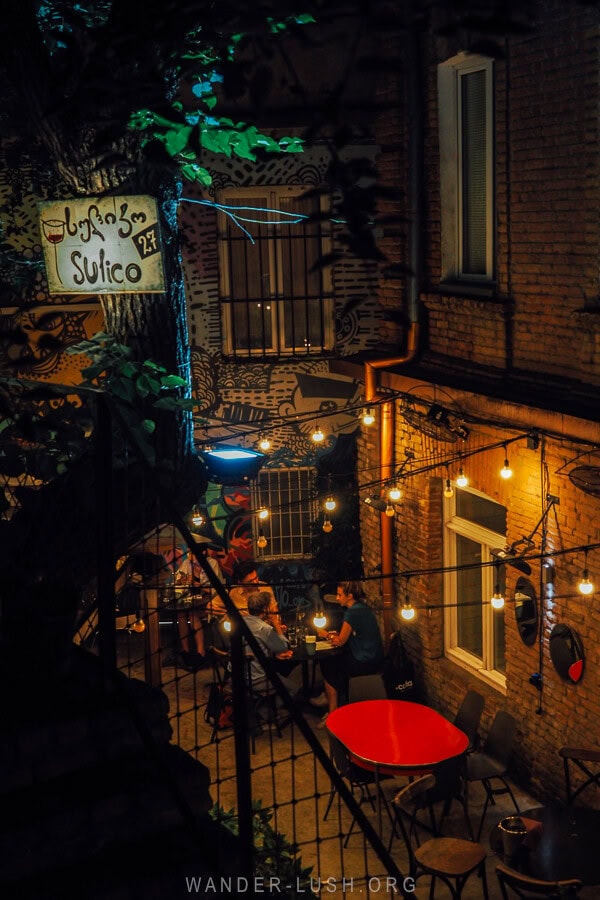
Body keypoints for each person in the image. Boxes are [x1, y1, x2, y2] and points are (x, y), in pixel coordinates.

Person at [315, 580, 384, 725]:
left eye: (340, 595)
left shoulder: (352, 613)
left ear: (350, 596)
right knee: (333, 663)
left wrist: (326, 635)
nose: (338, 598)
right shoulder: (362, 608)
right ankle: (330, 698)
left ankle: (332, 708)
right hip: (374, 656)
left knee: (327, 664)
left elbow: (340, 641)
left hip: (364, 661)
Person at [171, 549, 224, 671]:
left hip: (211, 600)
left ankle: (201, 653)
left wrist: (197, 584)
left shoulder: (212, 563)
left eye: (192, 552)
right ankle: (185, 651)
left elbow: (215, 589)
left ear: (203, 552)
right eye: (189, 552)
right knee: (181, 612)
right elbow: (177, 580)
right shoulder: (187, 563)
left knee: (192, 612)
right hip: (193, 599)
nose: (190, 554)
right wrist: (182, 581)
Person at [243, 590, 300, 697]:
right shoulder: (264, 629)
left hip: (238, 675)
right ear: (266, 609)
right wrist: (275, 620)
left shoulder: (241, 621)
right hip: (257, 680)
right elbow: (284, 648)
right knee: (295, 689)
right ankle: (279, 711)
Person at [211, 558, 284, 635]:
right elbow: (210, 606)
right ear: (240, 582)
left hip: (266, 632)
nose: (256, 582)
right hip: (244, 634)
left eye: (256, 578)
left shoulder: (265, 588)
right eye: (250, 581)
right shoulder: (232, 593)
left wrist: (278, 625)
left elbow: (275, 612)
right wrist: (230, 613)